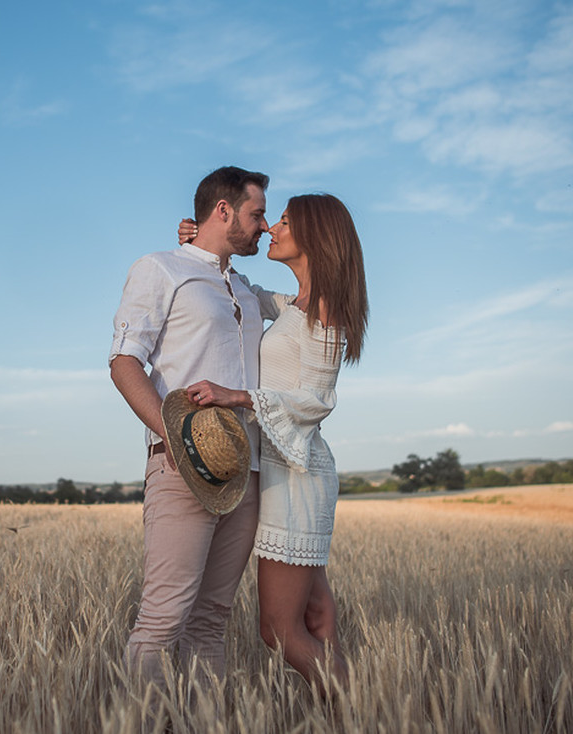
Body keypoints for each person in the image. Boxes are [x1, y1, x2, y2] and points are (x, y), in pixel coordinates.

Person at [178, 194, 368, 689]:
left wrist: (237, 396)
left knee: (279, 631)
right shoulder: (294, 305)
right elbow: (242, 291)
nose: (269, 230)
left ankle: (361, 714)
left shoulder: (324, 308)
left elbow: (317, 399)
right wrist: (202, 247)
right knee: (317, 620)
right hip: (286, 474)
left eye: (282, 221)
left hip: (298, 479)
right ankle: (350, 716)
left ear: (314, 237)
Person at [109, 166, 270, 685]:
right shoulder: (160, 268)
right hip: (182, 468)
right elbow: (124, 362)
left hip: (245, 475)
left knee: (211, 623)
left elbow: (307, 300)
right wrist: (175, 438)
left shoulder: (246, 289)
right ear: (223, 211)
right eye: (257, 213)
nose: (264, 226)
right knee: (162, 622)